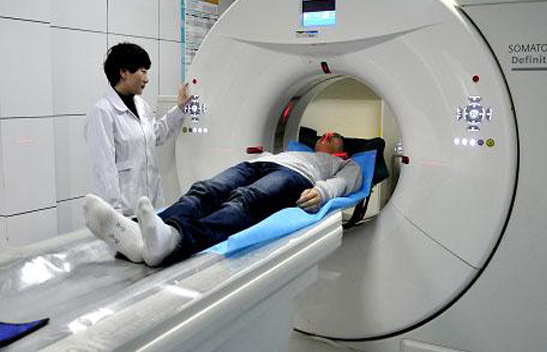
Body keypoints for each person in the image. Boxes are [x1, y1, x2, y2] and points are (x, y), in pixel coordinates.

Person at [83, 133, 362, 266]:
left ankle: (177, 240)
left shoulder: (339, 162)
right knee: (205, 190)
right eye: (324, 134)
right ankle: (140, 237)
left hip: (296, 176)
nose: (326, 135)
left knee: (246, 200)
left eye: (333, 136)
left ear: (342, 150)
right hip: (257, 164)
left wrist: (323, 192)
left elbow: (351, 180)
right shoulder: (289, 150)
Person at [85, 42, 192, 218]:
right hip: (125, 212)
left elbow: (156, 135)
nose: (147, 78)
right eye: (143, 71)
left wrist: (180, 108)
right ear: (123, 72)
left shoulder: (141, 106)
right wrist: (115, 217)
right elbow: (104, 170)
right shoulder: (103, 112)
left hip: (152, 205)